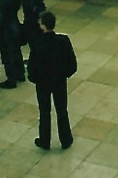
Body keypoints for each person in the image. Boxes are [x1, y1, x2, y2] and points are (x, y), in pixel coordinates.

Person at [29, 11, 76, 150]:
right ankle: (66, 139)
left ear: (43, 25)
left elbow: (32, 66)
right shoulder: (63, 41)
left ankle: (44, 140)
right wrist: (63, 74)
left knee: (44, 111)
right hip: (59, 81)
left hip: (43, 82)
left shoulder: (37, 43)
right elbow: (72, 64)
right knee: (62, 110)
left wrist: (35, 78)